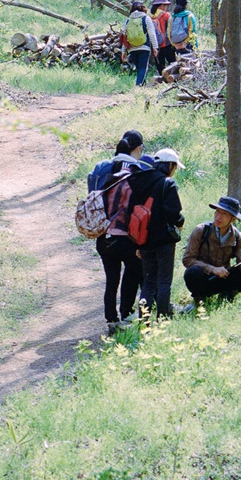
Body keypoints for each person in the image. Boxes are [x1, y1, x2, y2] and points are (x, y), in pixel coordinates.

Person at [95, 131, 153, 334]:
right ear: (137, 149)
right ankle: (127, 314)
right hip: (125, 237)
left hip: (103, 236)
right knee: (133, 271)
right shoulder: (135, 172)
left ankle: (111, 320)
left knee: (111, 279)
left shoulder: (103, 168)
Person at [129, 148, 185, 319]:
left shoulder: (139, 182)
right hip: (164, 241)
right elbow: (173, 213)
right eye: (174, 167)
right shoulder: (167, 184)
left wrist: (138, 243)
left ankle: (144, 320)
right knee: (164, 281)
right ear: (169, 165)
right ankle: (163, 318)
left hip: (144, 240)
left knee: (148, 282)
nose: (174, 171)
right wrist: (180, 223)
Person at [182, 196, 241, 305]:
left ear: (233, 219)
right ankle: (200, 299)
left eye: (224, 214)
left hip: (223, 277)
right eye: (217, 212)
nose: (218, 217)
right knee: (192, 272)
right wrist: (212, 269)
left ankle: (228, 294)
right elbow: (187, 259)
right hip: (204, 277)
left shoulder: (236, 236)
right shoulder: (201, 230)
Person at [121, 1, 159, 86]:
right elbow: (152, 33)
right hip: (144, 47)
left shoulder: (128, 21)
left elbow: (125, 37)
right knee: (143, 68)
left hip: (132, 48)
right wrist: (155, 47)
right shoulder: (146, 18)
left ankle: (142, 85)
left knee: (139, 68)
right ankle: (138, 86)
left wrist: (123, 51)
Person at [150, 0, 176, 74]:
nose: (166, 7)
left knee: (160, 65)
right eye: (166, 5)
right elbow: (172, 27)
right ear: (162, 5)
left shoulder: (149, 16)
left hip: (155, 45)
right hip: (166, 43)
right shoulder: (166, 15)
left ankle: (161, 80)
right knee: (173, 63)